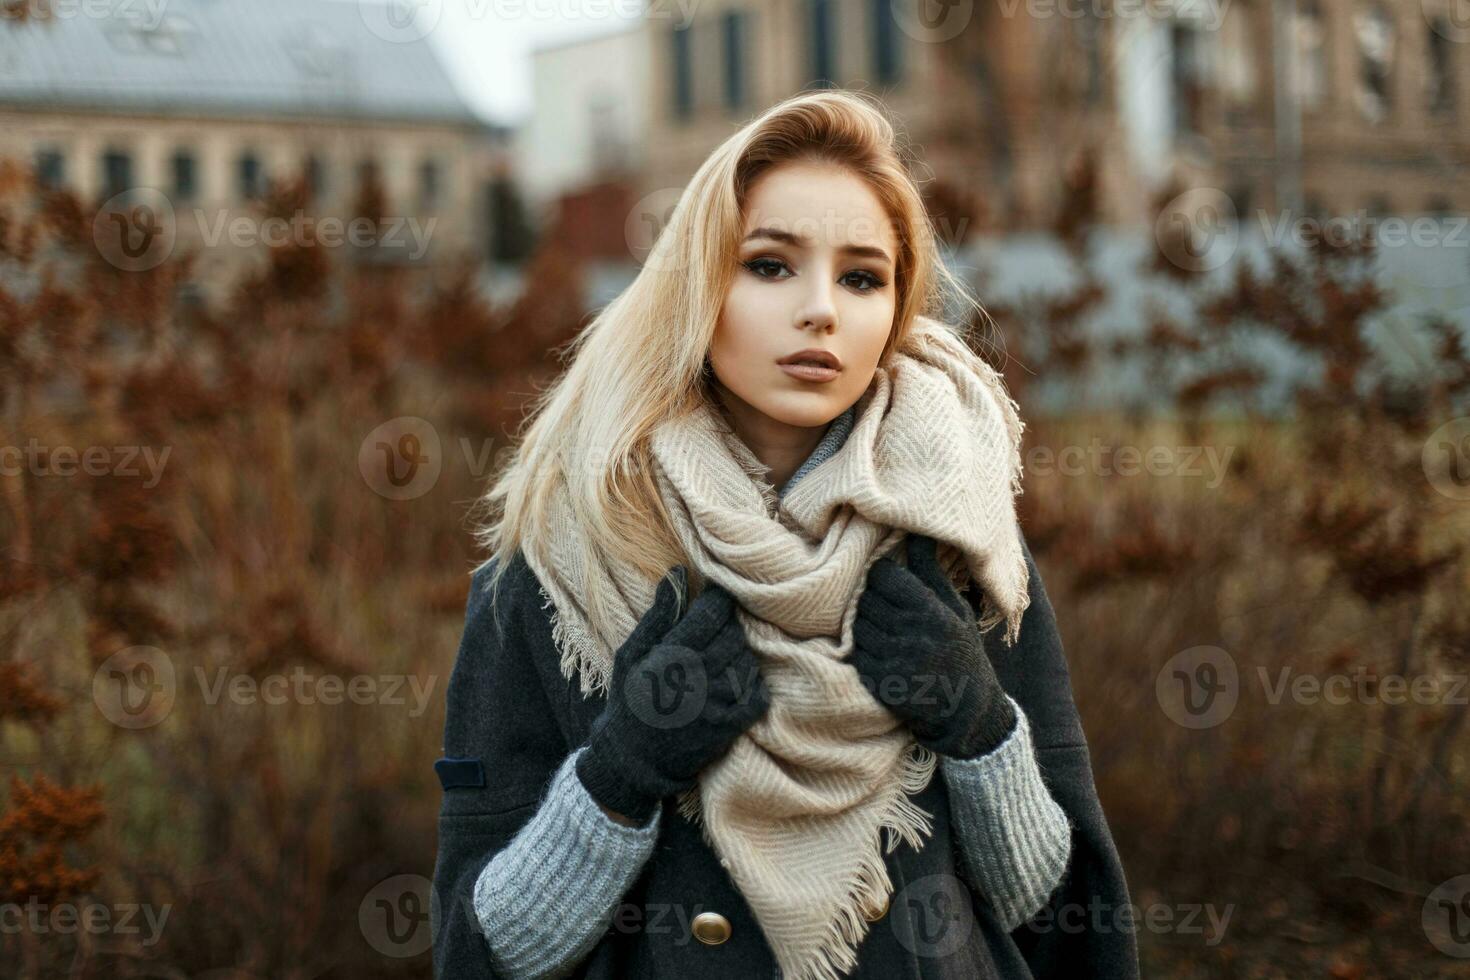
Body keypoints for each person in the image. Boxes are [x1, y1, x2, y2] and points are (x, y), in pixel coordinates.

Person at [431, 89, 1139, 980]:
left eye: (860, 277)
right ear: (699, 284)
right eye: (769, 266)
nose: (821, 312)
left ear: (896, 307)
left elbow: (1067, 931)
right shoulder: (552, 566)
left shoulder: (964, 545)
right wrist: (619, 773)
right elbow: (477, 953)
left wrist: (981, 730)